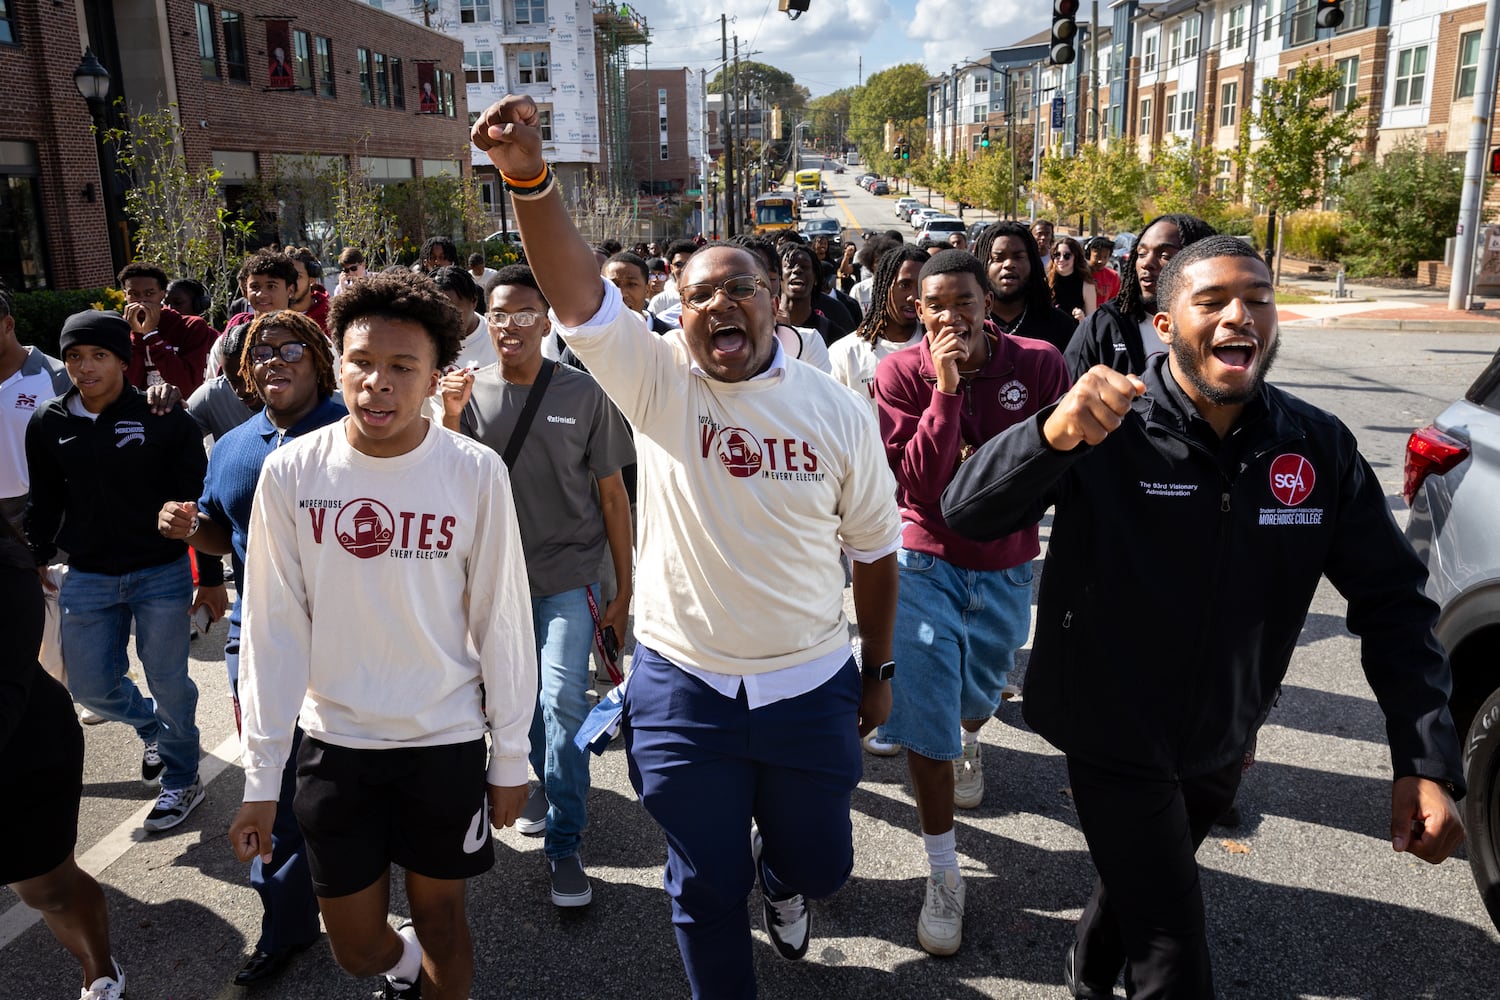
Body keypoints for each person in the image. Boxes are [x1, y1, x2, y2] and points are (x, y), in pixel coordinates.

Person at [941, 235, 1467, 997]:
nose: (1237, 316)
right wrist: (1049, 437)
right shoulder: (1105, 421)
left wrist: (1424, 761)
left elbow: (1394, 605)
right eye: (1212, 301)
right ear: (1163, 327)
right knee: (1171, 944)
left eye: (1256, 299)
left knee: (1142, 885)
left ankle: (1088, 971)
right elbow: (968, 513)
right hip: (1108, 727)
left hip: (1224, 733)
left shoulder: (1315, 446)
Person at [473, 94, 902, 1000]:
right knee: (706, 884)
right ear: (682, 309)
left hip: (809, 681)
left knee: (821, 862)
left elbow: (873, 551)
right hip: (683, 688)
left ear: (777, 301)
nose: (719, 304)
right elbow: (577, 293)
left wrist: (879, 669)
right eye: (699, 292)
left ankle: (784, 884)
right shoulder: (659, 378)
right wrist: (526, 177)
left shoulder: (834, 412)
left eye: (739, 287)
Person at [228, 270, 537, 1000]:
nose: (378, 383)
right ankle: (402, 979)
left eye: (403, 367)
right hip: (336, 745)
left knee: (442, 922)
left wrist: (511, 754)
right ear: (338, 363)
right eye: (362, 362)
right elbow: (273, 629)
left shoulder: (474, 473)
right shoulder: (292, 473)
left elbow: (502, 620)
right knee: (358, 948)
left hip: (444, 742)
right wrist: (261, 777)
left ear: (436, 377)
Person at [873, 250, 1068, 956]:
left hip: (1008, 560)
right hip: (925, 554)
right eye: (936, 306)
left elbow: (1058, 462)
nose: (951, 317)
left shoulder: (1040, 364)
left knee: (976, 695)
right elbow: (920, 488)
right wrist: (947, 393)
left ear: (989, 304)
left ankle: (972, 739)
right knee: (926, 714)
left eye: (965, 302)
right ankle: (944, 873)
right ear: (916, 312)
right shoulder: (899, 373)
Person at [438, 264, 634, 909]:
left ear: (547, 322)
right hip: (492, 586)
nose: (510, 327)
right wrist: (449, 415)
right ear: (484, 322)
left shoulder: (584, 393)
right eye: (499, 315)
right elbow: (444, 487)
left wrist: (624, 591)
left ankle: (566, 845)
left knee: (560, 702)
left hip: (567, 576)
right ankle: (549, 781)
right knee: (510, 707)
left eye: (524, 314)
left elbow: (613, 498)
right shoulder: (466, 393)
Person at [159, 309, 343, 987]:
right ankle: (286, 926)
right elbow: (217, 534)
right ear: (242, 372)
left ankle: (372, 912)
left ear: (318, 360)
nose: (274, 359)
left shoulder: (361, 430)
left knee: (357, 782)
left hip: (356, 640)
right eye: (259, 352)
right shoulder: (235, 448)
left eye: (290, 347)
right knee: (273, 783)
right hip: (259, 642)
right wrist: (188, 527)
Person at [24, 311, 208, 834]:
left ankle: (182, 777)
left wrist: (204, 562)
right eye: (75, 357)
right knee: (89, 686)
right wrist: (38, 553)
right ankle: (152, 728)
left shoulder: (161, 412)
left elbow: (195, 487)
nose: (85, 367)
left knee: (169, 679)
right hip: (87, 573)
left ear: (122, 361)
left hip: (161, 571)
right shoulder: (49, 421)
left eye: (98, 356)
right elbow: (46, 497)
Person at [1, 514, 126, 1000]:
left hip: (23, 757)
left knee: (47, 889)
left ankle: (99, 968)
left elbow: (4, 689)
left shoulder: (5, 563)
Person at [1063, 213, 1216, 380]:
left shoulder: (1222, 326)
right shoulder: (1102, 325)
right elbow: (1066, 397)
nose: (1146, 263)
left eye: (1165, 256)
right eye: (1142, 254)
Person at [827, 243, 927, 409]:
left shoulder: (938, 347)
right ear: (884, 285)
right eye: (904, 285)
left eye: (921, 287)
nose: (913, 296)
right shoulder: (845, 353)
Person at [972, 222, 1078, 355]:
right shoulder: (967, 324)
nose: (1009, 264)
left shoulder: (1061, 326)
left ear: (1032, 263)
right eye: (998, 258)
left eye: (1018, 257)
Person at [118, 263, 216, 394]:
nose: (141, 301)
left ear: (162, 295)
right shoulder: (117, 330)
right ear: (125, 295)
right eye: (134, 294)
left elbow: (188, 386)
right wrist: (137, 336)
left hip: (180, 410)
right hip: (138, 411)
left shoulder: (191, 327)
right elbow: (124, 387)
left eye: (149, 293)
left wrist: (151, 337)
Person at [1047, 236, 1097, 327]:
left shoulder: (1087, 285)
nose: (1061, 259)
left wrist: (1082, 319)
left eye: (1067, 256)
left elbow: (1091, 324)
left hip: (1074, 336)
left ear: (1075, 258)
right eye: (1057, 255)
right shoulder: (1045, 281)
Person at [284, 247, 331, 333]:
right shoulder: (274, 317)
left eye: (297, 276)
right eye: (286, 276)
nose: (290, 283)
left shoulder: (331, 317)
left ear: (311, 279)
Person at [1084, 237, 1120, 303]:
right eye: (1097, 256)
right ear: (1089, 254)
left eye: (1105, 257)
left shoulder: (1113, 276)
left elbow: (1114, 302)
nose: (1101, 261)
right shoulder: (1080, 273)